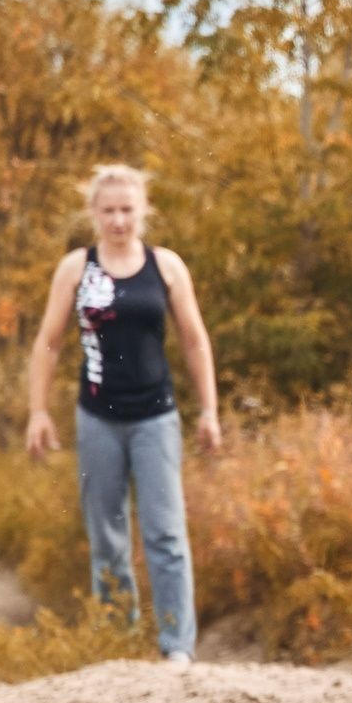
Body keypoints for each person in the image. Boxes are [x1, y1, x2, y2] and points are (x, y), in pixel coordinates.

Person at [25, 165, 221, 664]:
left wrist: (210, 410)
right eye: (109, 210)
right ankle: (119, 644)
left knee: (166, 534)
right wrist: (37, 412)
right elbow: (47, 345)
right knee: (107, 536)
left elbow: (195, 341)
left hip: (155, 416)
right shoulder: (76, 268)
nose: (118, 220)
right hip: (97, 418)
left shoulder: (167, 266)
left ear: (143, 211)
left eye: (127, 210)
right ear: (93, 213)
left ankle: (177, 648)